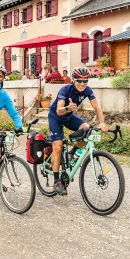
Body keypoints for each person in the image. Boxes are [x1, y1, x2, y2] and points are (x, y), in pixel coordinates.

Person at [48, 66, 107, 196]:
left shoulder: (87, 90)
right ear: (73, 80)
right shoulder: (65, 89)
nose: (82, 84)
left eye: (85, 81)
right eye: (79, 81)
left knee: (87, 130)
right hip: (56, 117)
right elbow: (59, 110)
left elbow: (97, 107)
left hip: (69, 117)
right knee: (57, 147)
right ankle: (57, 181)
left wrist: (102, 123)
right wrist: (68, 107)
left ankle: (72, 152)